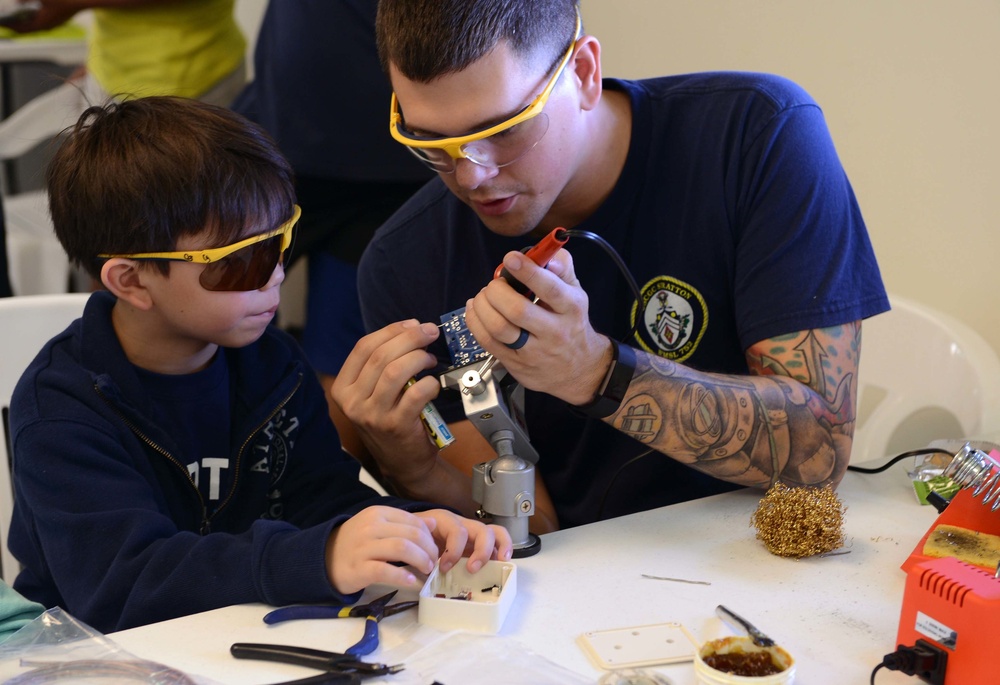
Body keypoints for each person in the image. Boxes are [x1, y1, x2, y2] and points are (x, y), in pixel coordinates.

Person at [331, 0, 890, 533]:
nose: (470, 175)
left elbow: (819, 452)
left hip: (766, 556)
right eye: (430, 142)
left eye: (501, 131)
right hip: (579, 592)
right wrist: (415, 468)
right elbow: (534, 527)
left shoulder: (756, 136)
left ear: (584, 72)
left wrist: (593, 372)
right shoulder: (402, 260)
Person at [6, 96, 511, 634]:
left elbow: (322, 495)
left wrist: (409, 525)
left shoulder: (270, 360)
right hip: (93, 656)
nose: (274, 276)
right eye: (241, 262)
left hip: (247, 632)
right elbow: (122, 585)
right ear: (131, 281)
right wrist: (314, 557)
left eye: (279, 241)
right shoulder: (61, 410)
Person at [230, 0, 433, 456]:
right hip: (273, 133)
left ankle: (323, 496)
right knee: (215, 317)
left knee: (347, 355)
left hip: (387, 168)